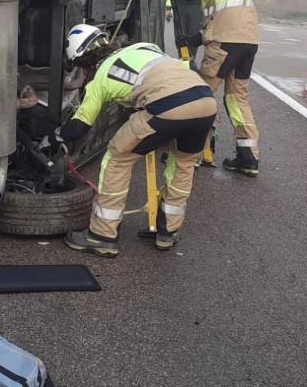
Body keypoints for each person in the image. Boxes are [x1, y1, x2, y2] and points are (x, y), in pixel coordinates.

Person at [56, 25, 217, 257]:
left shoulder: (101, 75)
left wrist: (55, 136)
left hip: (167, 106)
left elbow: (79, 127)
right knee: (183, 164)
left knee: (117, 158)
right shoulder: (144, 47)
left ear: (83, 61)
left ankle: (102, 235)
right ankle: (167, 232)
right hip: (205, 101)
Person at [162, 0, 261, 177]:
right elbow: (225, 13)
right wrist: (196, 39)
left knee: (200, 95)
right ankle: (248, 157)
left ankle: (192, 154)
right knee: (237, 99)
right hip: (248, 41)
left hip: (224, 43)